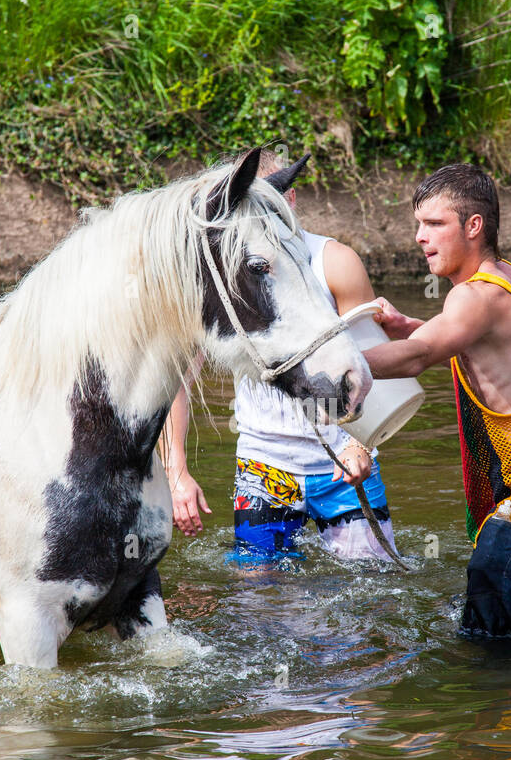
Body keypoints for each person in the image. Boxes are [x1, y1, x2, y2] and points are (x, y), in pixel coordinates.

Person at [362, 164, 511, 640]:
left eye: (434, 224)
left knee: (487, 646)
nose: (419, 237)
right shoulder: (503, 277)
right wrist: (410, 325)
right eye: (418, 224)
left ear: (474, 226)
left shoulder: (477, 297)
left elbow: (419, 357)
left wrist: (321, 364)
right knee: (482, 623)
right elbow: (456, 339)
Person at [161, 148, 399, 562]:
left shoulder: (336, 261)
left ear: (289, 198)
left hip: (344, 462)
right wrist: (176, 469)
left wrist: (362, 446)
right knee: (260, 599)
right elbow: (177, 377)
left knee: (373, 592)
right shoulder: (226, 273)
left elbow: (373, 360)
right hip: (263, 464)